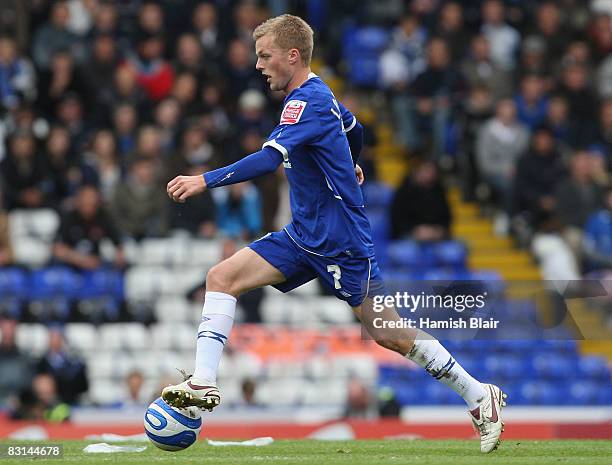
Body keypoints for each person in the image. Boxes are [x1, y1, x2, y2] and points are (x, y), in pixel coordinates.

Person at [163, 15, 506, 454]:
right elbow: (354, 128)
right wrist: (348, 162)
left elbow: (269, 162)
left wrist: (203, 180)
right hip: (304, 234)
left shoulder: (305, 102)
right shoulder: (320, 97)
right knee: (222, 277)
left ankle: (479, 395)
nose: (258, 65)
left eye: (265, 56)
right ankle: (204, 382)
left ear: (292, 55)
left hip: (341, 240)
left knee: (387, 332)